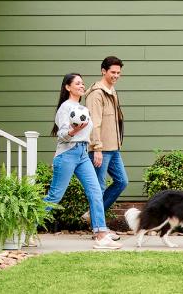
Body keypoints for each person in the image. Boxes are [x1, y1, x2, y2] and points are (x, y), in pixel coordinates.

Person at [42, 72, 120, 249]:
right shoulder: (65, 108)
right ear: (68, 87)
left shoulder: (83, 109)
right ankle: (26, 225)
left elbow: (89, 132)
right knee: (55, 196)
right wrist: (74, 131)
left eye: (82, 83)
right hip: (67, 154)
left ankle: (100, 235)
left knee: (95, 191)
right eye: (77, 83)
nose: (82, 86)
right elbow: (62, 135)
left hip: (83, 154)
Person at [85, 55, 128, 236]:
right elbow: (94, 123)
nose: (116, 75)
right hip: (101, 149)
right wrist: (97, 148)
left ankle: (93, 215)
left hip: (113, 147)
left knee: (122, 181)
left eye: (118, 73)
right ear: (103, 71)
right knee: (99, 188)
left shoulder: (112, 91)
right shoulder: (96, 93)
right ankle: (99, 229)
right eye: (113, 72)